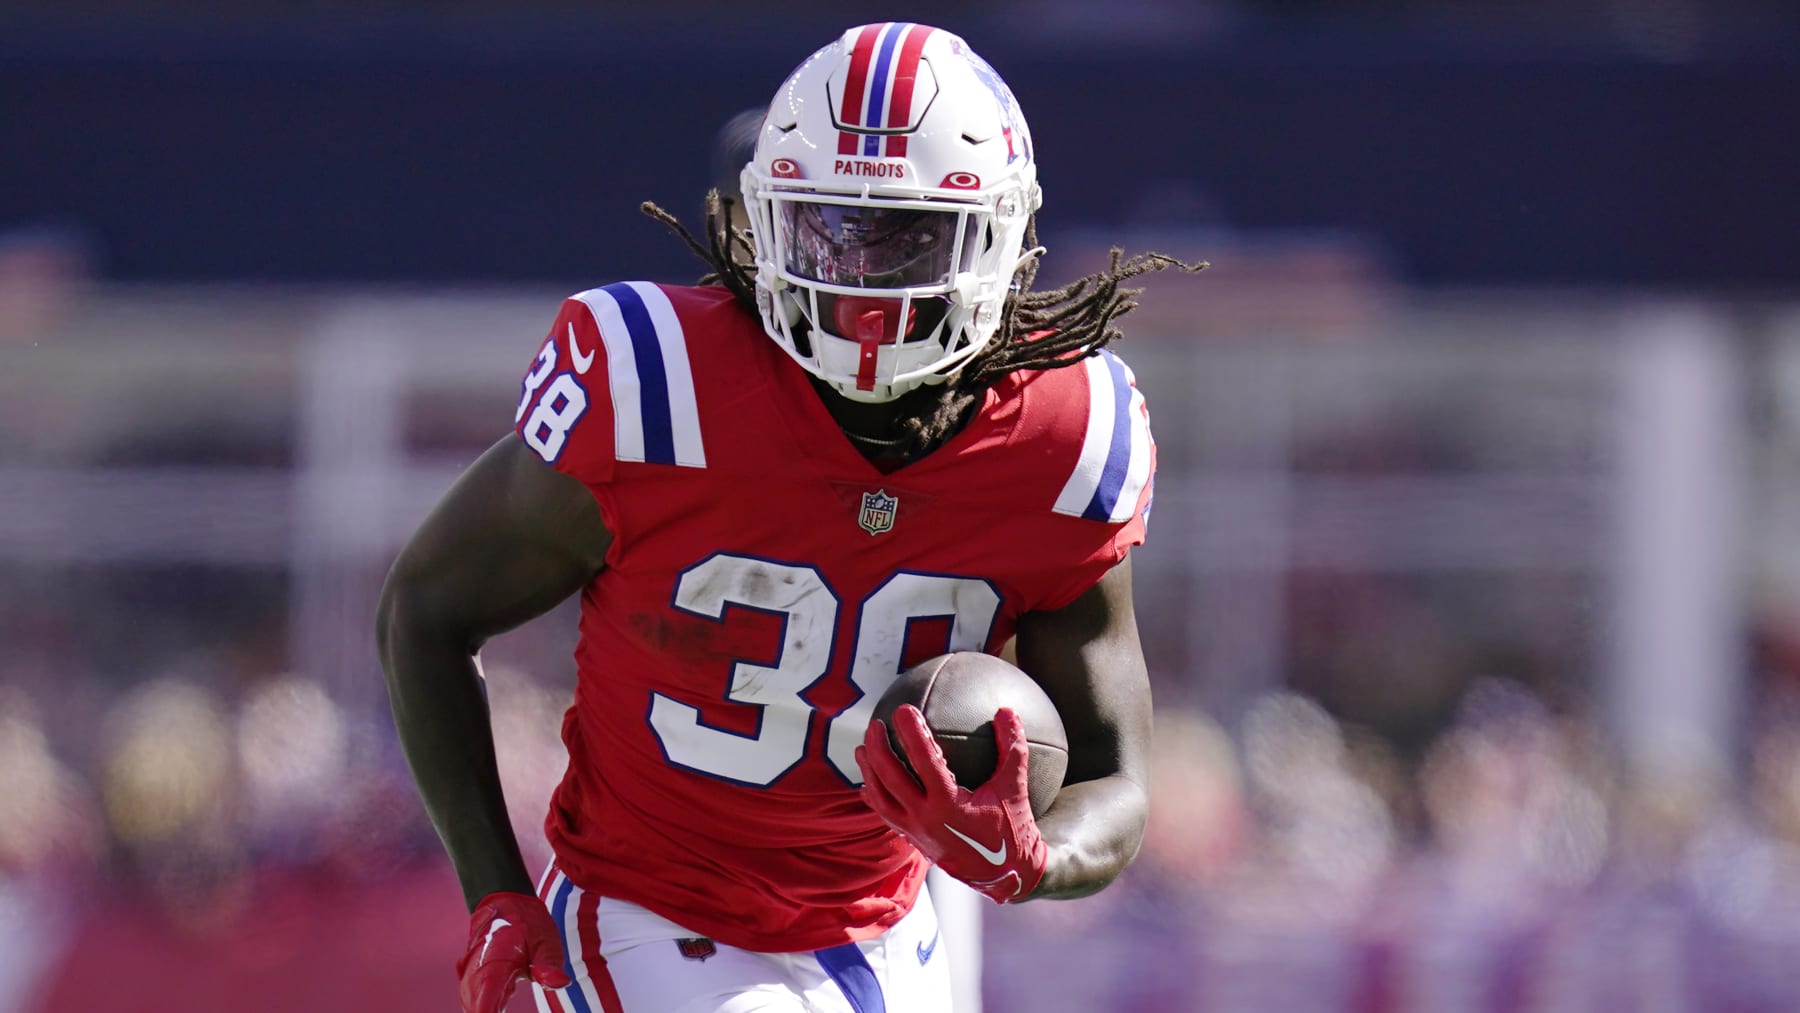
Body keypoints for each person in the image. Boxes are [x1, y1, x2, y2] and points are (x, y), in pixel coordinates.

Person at [377, 21, 1200, 1013]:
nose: (861, 283)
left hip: (887, 924)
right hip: (649, 910)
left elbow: (1115, 779)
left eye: (907, 238)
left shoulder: (1065, 439)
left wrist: (1036, 853)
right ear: (761, 223)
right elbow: (424, 608)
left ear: (999, 237)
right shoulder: (659, 391)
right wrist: (495, 886)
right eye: (829, 229)